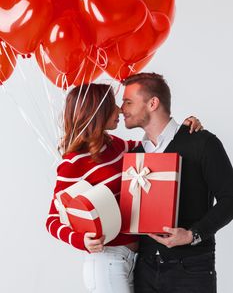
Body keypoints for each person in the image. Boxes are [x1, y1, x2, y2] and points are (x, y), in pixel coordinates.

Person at [46, 83, 201, 293]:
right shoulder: (73, 163)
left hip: (134, 260)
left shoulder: (116, 146)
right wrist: (81, 240)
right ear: (97, 112)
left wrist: (182, 129)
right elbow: (52, 219)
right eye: (113, 105)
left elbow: (156, 147)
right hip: (106, 260)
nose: (120, 109)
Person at [121, 72, 233, 293]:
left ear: (153, 103)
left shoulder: (202, 142)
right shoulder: (134, 153)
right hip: (144, 269)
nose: (121, 109)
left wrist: (192, 235)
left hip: (191, 269)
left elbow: (230, 198)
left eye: (128, 102)